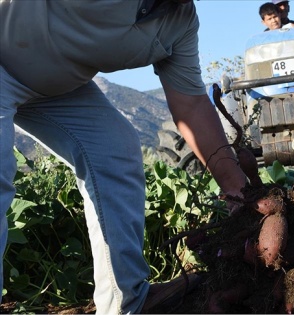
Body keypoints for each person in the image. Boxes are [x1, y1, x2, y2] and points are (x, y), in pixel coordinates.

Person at [0, 0, 247, 314]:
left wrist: (238, 190)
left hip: (55, 88)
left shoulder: (180, 21)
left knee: (115, 148)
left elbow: (192, 106)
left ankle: (125, 303)